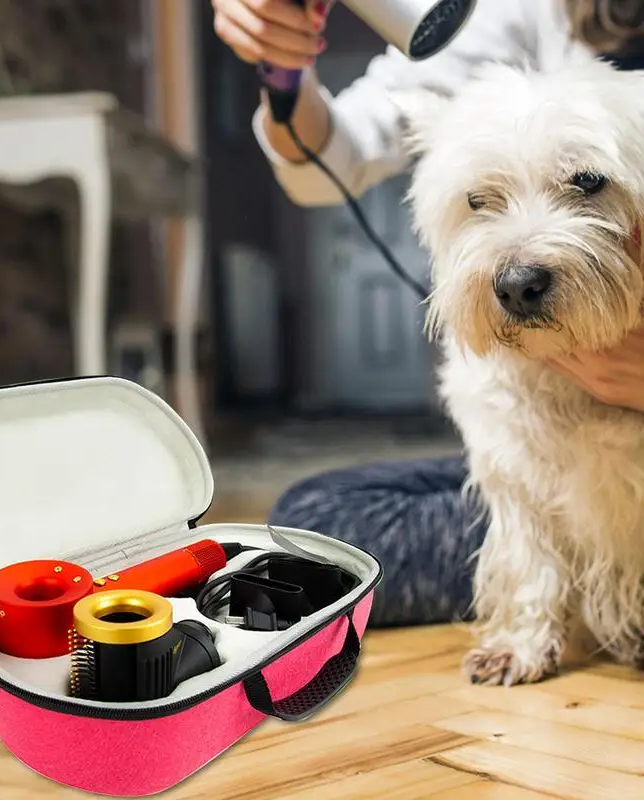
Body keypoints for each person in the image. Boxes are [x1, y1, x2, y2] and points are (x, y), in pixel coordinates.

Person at [210, 0, 644, 627]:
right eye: (481, 201)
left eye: (583, 185)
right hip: (549, 458)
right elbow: (338, 151)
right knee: (314, 525)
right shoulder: (533, 11)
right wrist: (285, 66)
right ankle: (559, 573)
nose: (520, 269)